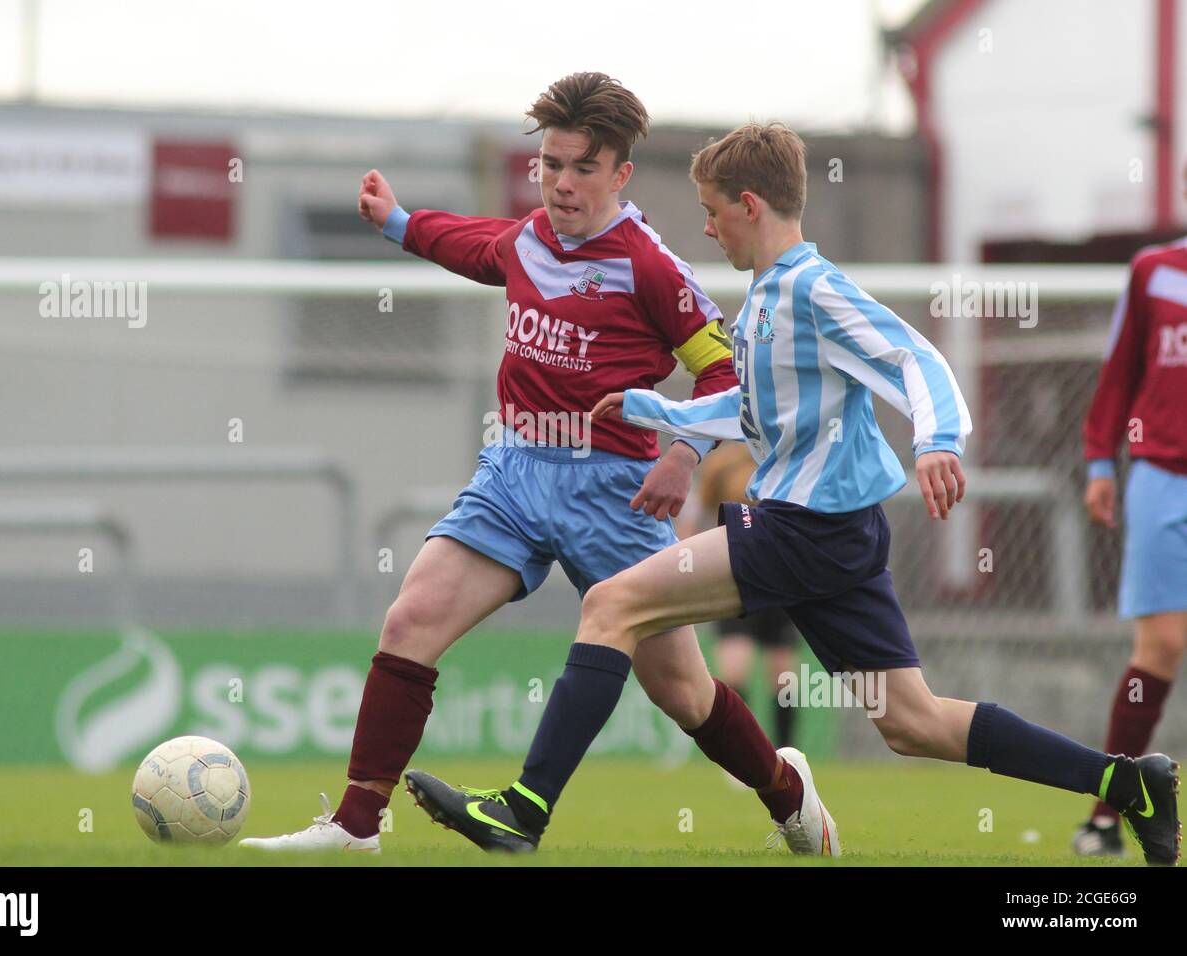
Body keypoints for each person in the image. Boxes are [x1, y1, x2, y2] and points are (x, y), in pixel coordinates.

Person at [406, 121, 1181, 866]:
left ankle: (525, 810)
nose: (707, 232)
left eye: (712, 214)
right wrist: (656, 409)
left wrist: (938, 442)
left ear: (750, 205)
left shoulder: (812, 290)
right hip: (837, 536)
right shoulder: (768, 300)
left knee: (611, 604)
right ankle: (1126, 782)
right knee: (913, 723)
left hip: (799, 530)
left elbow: (918, 361)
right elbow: (754, 411)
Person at [242, 75, 819, 854]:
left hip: (614, 491)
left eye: (583, 167)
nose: (562, 183)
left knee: (681, 690)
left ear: (620, 174)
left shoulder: (650, 267)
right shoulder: (526, 241)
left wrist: (684, 453)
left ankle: (789, 796)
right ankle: (354, 827)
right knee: (411, 620)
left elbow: (725, 373)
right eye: (550, 164)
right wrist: (399, 222)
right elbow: (471, 245)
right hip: (513, 473)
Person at [1073, 188, 1187, 857]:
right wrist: (1098, 462)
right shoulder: (1154, 271)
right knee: (1161, 647)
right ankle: (1106, 817)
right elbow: (1119, 374)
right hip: (1161, 478)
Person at [681, 441, 801, 748]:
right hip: (734, 578)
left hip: (781, 581)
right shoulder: (721, 463)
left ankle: (786, 756)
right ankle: (744, 754)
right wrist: (688, 562)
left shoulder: (787, 457)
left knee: (783, 676)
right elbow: (694, 516)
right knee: (735, 670)